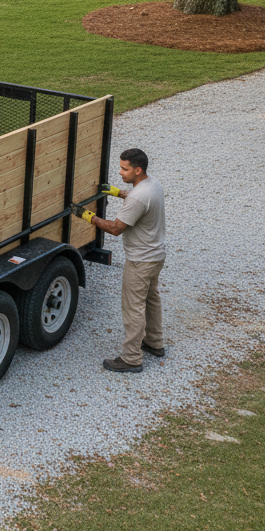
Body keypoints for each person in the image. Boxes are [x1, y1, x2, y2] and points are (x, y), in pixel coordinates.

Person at [72, 147, 166, 374]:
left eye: (124, 169)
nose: (120, 173)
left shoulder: (138, 197)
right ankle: (155, 343)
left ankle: (132, 358)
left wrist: (88, 216)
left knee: (133, 308)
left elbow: (115, 229)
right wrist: (117, 192)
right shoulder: (152, 184)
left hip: (139, 262)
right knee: (151, 300)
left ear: (138, 169)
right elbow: (137, 200)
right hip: (156, 257)